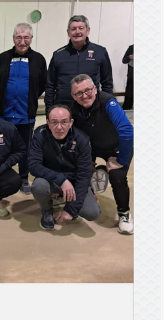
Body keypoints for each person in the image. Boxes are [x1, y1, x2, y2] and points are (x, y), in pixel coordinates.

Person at [71, 74, 134, 234]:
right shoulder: (74, 109)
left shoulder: (108, 103)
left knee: (117, 175)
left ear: (95, 89)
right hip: (94, 146)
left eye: (88, 90)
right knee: (81, 168)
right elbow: (77, 137)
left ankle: (124, 214)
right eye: (79, 93)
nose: (85, 95)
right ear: (73, 96)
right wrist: (89, 160)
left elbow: (127, 132)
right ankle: (88, 197)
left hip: (116, 146)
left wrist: (120, 161)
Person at [0, 22, 47, 194]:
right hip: (4, 114)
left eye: (26, 38)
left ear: (31, 38)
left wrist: (30, 96)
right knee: (2, 147)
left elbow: (42, 83)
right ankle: (0, 176)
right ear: (13, 39)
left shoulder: (38, 59)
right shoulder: (3, 58)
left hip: (26, 114)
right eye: (18, 37)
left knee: (25, 148)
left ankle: (23, 177)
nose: (22, 42)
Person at [29, 104, 101, 230]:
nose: (59, 127)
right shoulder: (40, 134)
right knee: (38, 186)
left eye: (64, 122)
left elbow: (84, 176)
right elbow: (33, 166)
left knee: (92, 213)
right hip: (51, 180)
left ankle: (68, 199)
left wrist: (70, 209)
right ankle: (47, 209)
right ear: (48, 123)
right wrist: (61, 180)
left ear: (71, 123)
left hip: (74, 182)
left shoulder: (82, 139)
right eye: (54, 122)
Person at [45, 14, 113, 113]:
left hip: (92, 109)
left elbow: (107, 84)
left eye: (81, 28)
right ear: (68, 32)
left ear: (87, 31)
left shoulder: (100, 52)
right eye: (73, 29)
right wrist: (49, 111)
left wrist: (107, 108)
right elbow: (50, 86)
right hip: (64, 110)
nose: (77, 32)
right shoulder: (58, 55)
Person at [122, 44, 134, 110]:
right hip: (132, 76)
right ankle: (126, 109)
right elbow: (124, 60)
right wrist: (129, 57)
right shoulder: (132, 47)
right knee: (129, 95)